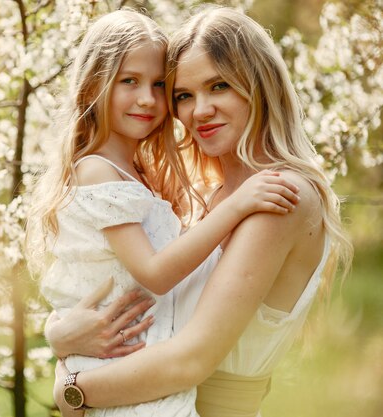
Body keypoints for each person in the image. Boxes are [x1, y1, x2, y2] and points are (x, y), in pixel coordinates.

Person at [46, 5, 353, 417]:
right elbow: (139, 298)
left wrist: (70, 388)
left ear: (259, 85)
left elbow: (188, 360)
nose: (199, 110)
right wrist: (61, 336)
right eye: (184, 96)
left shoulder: (281, 197)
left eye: (220, 86)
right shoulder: (203, 198)